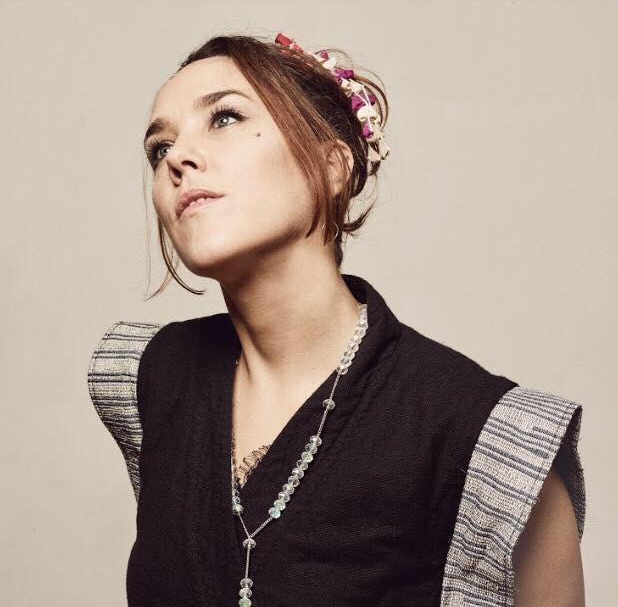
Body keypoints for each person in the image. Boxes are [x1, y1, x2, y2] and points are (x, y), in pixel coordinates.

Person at [87, 32, 586, 606]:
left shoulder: (483, 439)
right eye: (159, 148)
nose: (177, 158)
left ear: (331, 167)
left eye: (224, 117)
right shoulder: (151, 379)